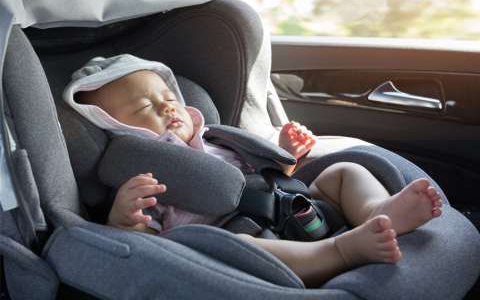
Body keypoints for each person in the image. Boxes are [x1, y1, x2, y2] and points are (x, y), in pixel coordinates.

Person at [65, 55, 442, 288]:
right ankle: (343, 251)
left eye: (168, 98)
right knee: (235, 248)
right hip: (244, 240)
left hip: (291, 206)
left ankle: (377, 212)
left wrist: (288, 154)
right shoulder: (138, 178)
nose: (167, 108)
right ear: (114, 125)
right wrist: (124, 219)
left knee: (343, 170)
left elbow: (270, 176)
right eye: (145, 105)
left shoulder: (216, 140)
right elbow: (144, 244)